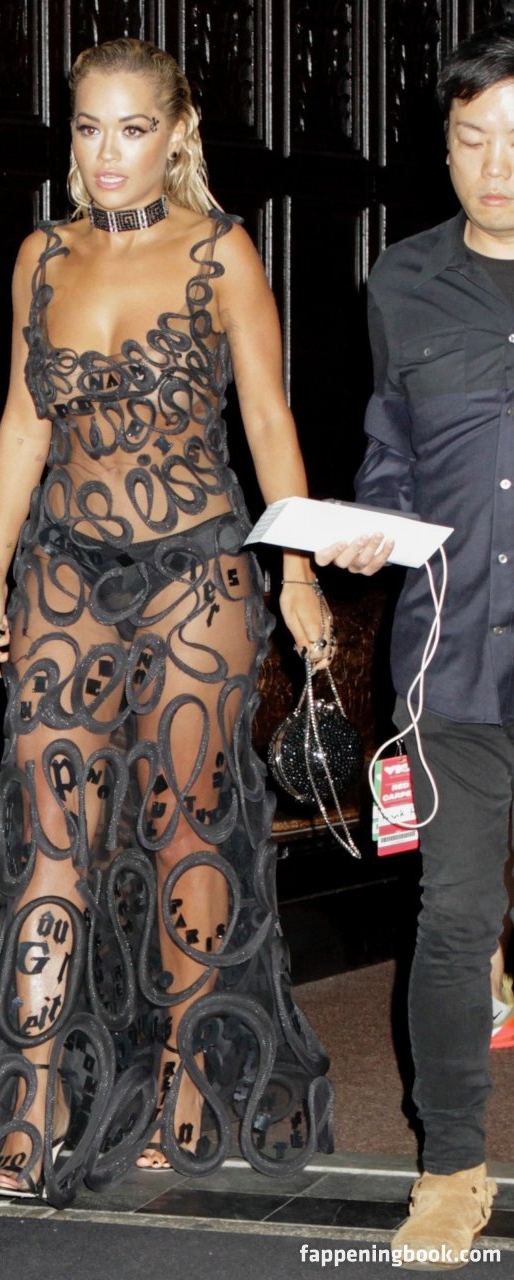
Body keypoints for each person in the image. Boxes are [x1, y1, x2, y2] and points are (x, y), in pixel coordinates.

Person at [0, 37, 333, 1212]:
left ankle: (190, 1079)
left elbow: (267, 416)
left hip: (195, 569)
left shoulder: (218, 251)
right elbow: (22, 424)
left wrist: (296, 569)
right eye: (88, 128)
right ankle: (29, 1106)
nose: (107, 153)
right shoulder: (41, 257)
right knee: (50, 837)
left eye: (132, 128)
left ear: (174, 132)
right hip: (63, 568)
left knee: (187, 827)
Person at [317, 19, 514, 1266]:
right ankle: (449, 1168)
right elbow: (390, 450)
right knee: (450, 917)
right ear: (443, 146)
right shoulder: (400, 281)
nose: (497, 164)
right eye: (473, 137)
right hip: (453, 652)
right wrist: (366, 526)